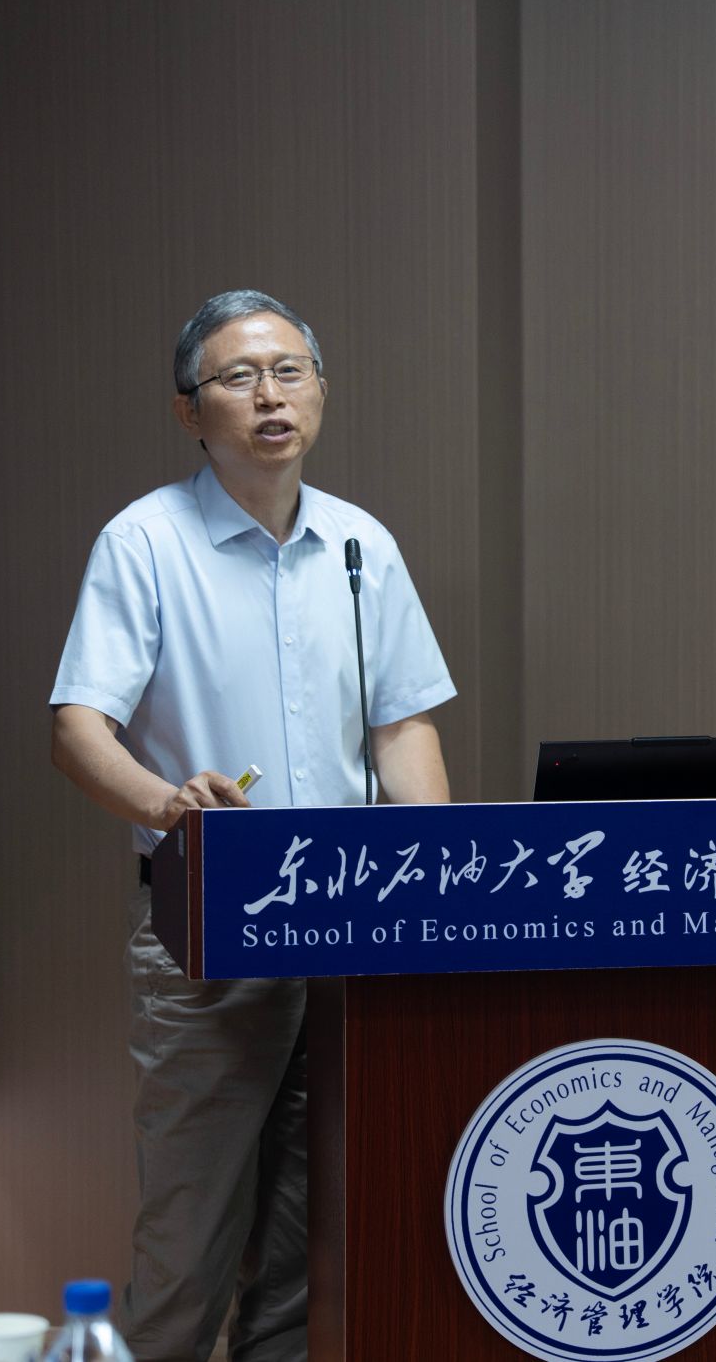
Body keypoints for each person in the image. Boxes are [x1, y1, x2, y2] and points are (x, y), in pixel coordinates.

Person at [49, 289, 456, 1362]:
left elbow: (401, 727)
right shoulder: (145, 542)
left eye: (289, 371)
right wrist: (166, 803)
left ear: (320, 391)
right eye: (239, 377)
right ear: (190, 411)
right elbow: (78, 728)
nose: (270, 395)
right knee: (191, 1241)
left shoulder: (361, 544)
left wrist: (437, 888)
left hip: (352, 932)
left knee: (309, 1241)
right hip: (211, 930)